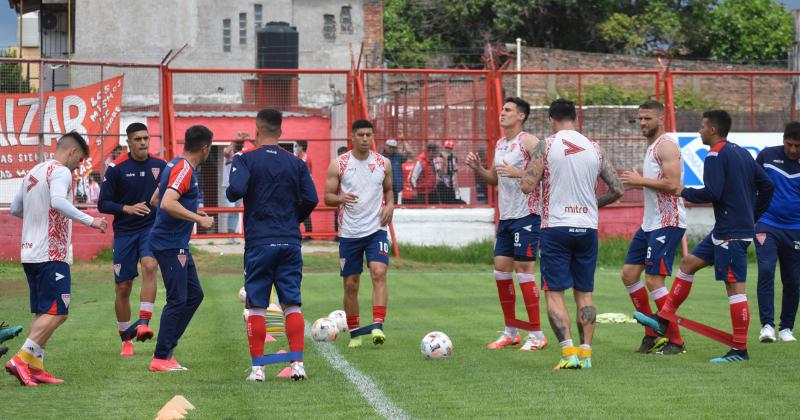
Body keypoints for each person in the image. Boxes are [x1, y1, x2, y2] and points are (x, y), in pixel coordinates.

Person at [634, 110, 774, 363]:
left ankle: (740, 350)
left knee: (734, 288)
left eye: (702, 127)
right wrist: (752, 215)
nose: (699, 131)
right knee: (688, 263)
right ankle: (664, 319)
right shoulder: (741, 152)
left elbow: (712, 193)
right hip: (726, 229)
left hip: (731, 233)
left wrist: (683, 191)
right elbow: (767, 186)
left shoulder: (714, 155)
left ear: (713, 130)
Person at [520, 99, 624, 369]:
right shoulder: (594, 148)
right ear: (575, 118)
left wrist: (523, 174)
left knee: (554, 293)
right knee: (585, 294)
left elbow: (527, 186)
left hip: (556, 227)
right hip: (587, 227)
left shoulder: (547, 145)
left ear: (551, 118)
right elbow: (617, 188)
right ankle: (586, 355)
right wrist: (592, 205)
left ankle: (569, 355)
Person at [6, 132, 108, 386]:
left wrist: (37, 219)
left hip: (30, 252)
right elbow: (59, 202)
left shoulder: (34, 171)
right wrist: (92, 220)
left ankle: (35, 366)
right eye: (80, 160)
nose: (79, 167)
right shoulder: (61, 172)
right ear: (72, 152)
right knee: (59, 312)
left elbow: (16, 209)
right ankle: (20, 359)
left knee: (44, 312)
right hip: (52, 253)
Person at [227, 109, 318, 382]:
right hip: (289, 240)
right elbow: (311, 198)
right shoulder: (297, 163)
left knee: (256, 306)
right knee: (292, 305)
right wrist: (294, 218)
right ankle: (298, 365)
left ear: (256, 130)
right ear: (280, 131)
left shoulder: (245, 158)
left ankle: (258, 370)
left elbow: (235, 191)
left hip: (259, 242)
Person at [465, 97, 548, 351]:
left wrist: (521, 173)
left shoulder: (529, 141)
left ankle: (537, 334)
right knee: (501, 271)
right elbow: (494, 179)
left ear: (520, 116)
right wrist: (479, 169)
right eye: (502, 109)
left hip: (527, 215)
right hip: (507, 217)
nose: (502, 113)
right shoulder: (501, 144)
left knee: (524, 271)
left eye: (508, 110)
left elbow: (545, 170)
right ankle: (511, 331)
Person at [618, 101, 687, 355]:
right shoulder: (651, 147)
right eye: (640, 119)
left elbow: (673, 184)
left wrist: (639, 181)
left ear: (661, 118)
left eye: (648, 118)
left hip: (668, 222)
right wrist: (632, 184)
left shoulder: (666, 145)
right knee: (628, 275)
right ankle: (651, 333)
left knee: (653, 278)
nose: (643, 123)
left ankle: (676, 341)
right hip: (650, 224)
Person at [147, 125, 215, 372]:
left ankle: (168, 350)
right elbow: (166, 202)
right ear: (205, 148)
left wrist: (190, 211)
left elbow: (156, 199)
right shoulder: (184, 169)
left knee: (194, 295)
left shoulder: (172, 164)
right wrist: (199, 219)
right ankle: (161, 358)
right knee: (177, 299)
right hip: (171, 244)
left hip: (175, 242)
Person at [98, 122, 167, 357]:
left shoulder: (161, 165)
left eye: (146, 138)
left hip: (150, 229)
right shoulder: (116, 168)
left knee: (150, 265)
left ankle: (144, 323)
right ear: (128, 142)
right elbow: (103, 203)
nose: (143, 142)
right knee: (123, 287)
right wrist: (127, 208)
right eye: (137, 139)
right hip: (125, 233)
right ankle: (126, 338)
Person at [324, 119, 394, 348]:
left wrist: (390, 205)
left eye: (369, 135)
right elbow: (327, 197)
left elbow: (389, 190)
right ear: (352, 137)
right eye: (361, 135)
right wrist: (341, 198)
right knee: (351, 284)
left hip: (376, 230)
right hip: (350, 232)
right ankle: (355, 332)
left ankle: (377, 326)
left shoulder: (383, 163)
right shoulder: (339, 164)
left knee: (378, 271)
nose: (365, 139)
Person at [754, 122, 800, 343]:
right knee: (765, 269)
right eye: (789, 144)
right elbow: (751, 184)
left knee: (793, 280)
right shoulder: (766, 156)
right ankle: (767, 326)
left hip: (796, 229)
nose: (792, 150)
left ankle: (786, 329)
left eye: (797, 146)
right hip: (766, 223)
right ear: (783, 140)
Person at [222, 139, 245, 244]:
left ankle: (232, 236)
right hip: (228, 186)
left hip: (239, 187)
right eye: (238, 144)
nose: (240, 146)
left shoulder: (243, 155)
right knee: (231, 211)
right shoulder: (229, 153)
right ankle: (229, 236)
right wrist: (234, 140)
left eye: (241, 144)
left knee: (236, 212)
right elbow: (226, 152)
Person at [295, 141, 314, 240]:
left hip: (303, 189)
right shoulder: (298, 158)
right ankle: (297, 233)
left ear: (301, 147)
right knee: (296, 211)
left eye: (296, 146)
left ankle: (309, 234)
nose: (295, 148)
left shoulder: (306, 159)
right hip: (298, 189)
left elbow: (307, 175)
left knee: (305, 211)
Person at [381, 139, 409, 204]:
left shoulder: (398, 156)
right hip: (384, 186)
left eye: (393, 147)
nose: (392, 149)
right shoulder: (381, 157)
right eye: (390, 147)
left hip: (396, 186)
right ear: (386, 146)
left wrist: (403, 139)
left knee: (395, 206)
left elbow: (408, 152)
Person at [334, 146, 349, 235]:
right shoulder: (336, 165)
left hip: (349, 194)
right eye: (340, 155)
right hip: (339, 194)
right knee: (337, 213)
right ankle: (337, 233)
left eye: (343, 154)